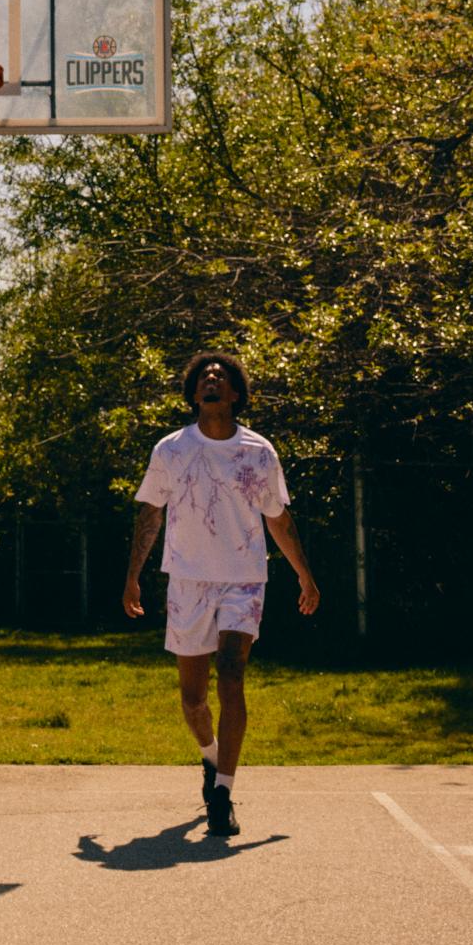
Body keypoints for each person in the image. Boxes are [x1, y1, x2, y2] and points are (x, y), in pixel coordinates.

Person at [121, 351, 318, 837]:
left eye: (221, 377)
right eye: (204, 377)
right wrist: (133, 576)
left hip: (242, 579)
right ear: (193, 394)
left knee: (231, 674)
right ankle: (210, 758)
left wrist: (305, 576)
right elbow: (149, 515)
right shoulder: (171, 450)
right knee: (193, 700)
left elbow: (278, 518)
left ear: (234, 394)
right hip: (187, 580)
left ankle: (224, 793)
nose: (212, 380)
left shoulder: (258, 453)